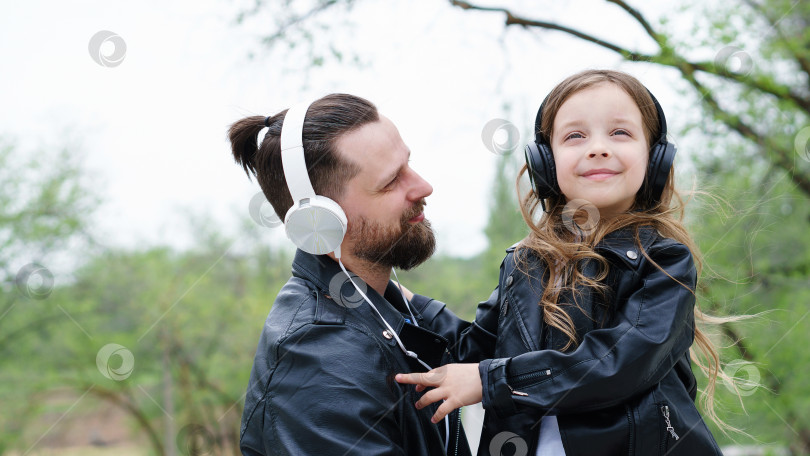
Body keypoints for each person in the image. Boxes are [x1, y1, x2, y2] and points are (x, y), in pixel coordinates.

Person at [395, 70, 728, 455]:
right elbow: (472, 352)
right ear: (545, 162)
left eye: (620, 133)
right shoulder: (525, 263)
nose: (598, 148)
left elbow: (620, 363)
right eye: (575, 136)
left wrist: (493, 382)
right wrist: (403, 300)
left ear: (655, 158)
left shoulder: (665, 261)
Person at [228, 94, 471, 455]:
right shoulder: (320, 370)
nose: (422, 186)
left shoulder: (381, 308)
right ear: (321, 225)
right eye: (391, 182)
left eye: (409, 164)